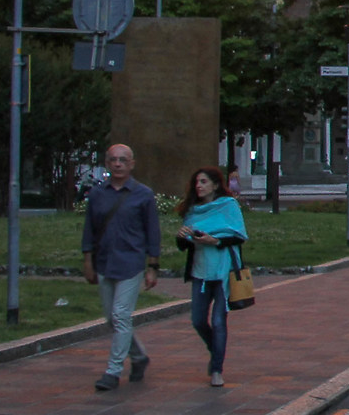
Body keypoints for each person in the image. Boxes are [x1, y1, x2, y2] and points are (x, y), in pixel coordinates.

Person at [79, 144, 160, 393]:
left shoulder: (143, 195)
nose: (118, 164)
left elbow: (152, 233)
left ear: (132, 164)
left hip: (131, 263)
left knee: (121, 315)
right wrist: (87, 260)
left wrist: (152, 266)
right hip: (104, 262)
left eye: (123, 160)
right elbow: (89, 230)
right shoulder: (97, 195)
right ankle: (138, 357)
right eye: (113, 160)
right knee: (112, 319)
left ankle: (113, 371)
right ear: (106, 162)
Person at [175, 166, 248, 388]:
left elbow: (238, 236)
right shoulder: (192, 211)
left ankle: (217, 368)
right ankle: (214, 348)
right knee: (198, 320)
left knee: (218, 321)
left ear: (215, 185)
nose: (199, 186)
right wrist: (181, 237)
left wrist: (214, 241)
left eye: (204, 182)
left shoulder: (228, 206)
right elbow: (182, 246)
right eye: (197, 182)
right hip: (200, 272)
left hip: (223, 272)